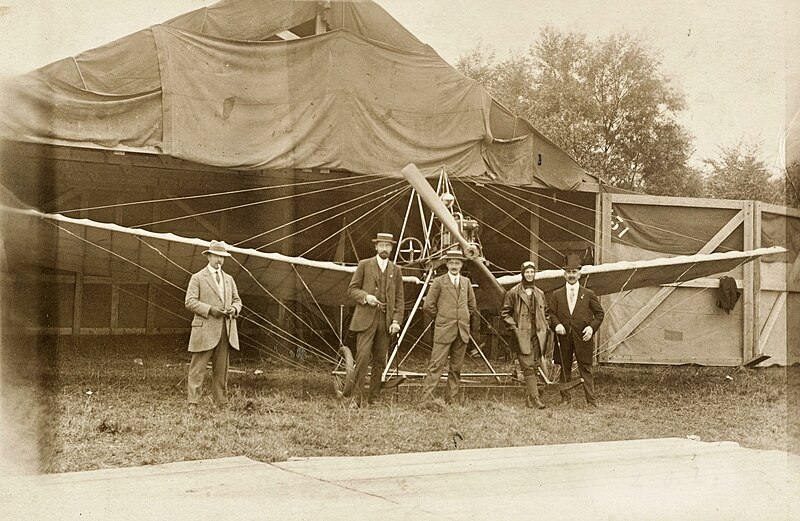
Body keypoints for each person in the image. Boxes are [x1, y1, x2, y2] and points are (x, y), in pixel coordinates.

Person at [342, 232, 405, 405]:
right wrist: (366, 297)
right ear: (376, 247)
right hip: (365, 319)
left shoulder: (396, 270)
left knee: (380, 360)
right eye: (381, 245)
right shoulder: (364, 265)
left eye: (388, 246)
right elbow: (351, 290)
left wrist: (396, 321)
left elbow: (400, 299)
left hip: (385, 322)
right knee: (362, 358)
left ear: (391, 248)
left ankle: (374, 397)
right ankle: (357, 397)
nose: (385, 249)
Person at [185, 240, 242, 409]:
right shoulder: (197, 278)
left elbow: (237, 300)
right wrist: (210, 310)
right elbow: (189, 302)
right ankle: (193, 402)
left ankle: (221, 401)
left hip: (225, 329)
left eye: (223, 257)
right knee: (198, 368)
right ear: (209, 256)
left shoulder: (229, 279)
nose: (220, 260)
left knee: (222, 368)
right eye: (217, 256)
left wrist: (234, 309)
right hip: (205, 329)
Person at [419, 248, 476, 407]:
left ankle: (450, 400)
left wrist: (461, 319)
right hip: (444, 330)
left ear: (462, 265)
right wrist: (442, 318)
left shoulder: (466, 282)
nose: (454, 266)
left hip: (461, 331)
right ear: (446, 264)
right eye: (451, 262)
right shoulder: (438, 282)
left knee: (456, 368)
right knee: (436, 365)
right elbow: (428, 306)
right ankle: (425, 400)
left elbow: (471, 306)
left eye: (457, 263)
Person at [549, 252, 605, 407]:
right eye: (568, 272)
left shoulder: (588, 294)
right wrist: (557, 325)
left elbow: (600, 314)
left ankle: (591, 401)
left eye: (574, 272)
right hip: (564, 337)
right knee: (564, 368)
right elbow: (551, 313)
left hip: (583, 338)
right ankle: (565, 398)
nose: (571, 275)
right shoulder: (557, 294)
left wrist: (591, 328)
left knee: (585, 369)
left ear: (580, 274)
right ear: (564, 274)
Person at [500, 260, 549, 409]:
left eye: (532, 272)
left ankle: (529, 398)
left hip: (538, 334)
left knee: (534, 366)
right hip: (522, 335)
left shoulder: (540, 293)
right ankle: (535, 399)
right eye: (527, 272)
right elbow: (504, 313)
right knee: (527, 366)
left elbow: (546, 312)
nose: (529, 274)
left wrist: (546, 325)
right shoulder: (513, 292)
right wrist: (514, 327)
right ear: (522, 273)